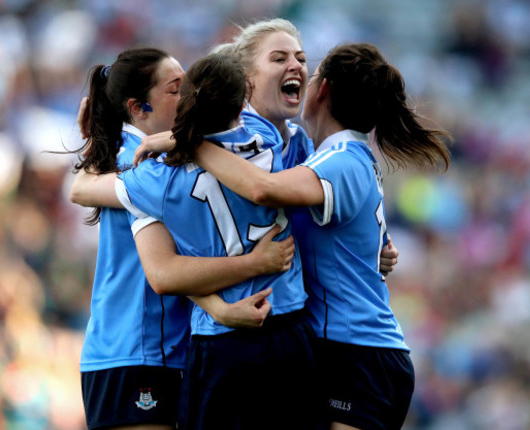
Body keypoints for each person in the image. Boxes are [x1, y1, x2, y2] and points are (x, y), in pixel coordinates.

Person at [193, 42, 452, 429]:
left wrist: (193, 144)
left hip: (358, 352)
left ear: (324, 88)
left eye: (310, 72)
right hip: (351, 351)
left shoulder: (342, 160)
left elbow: (263, 188)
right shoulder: (333, 156)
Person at [70, 47, 296, 430]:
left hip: (157, 352)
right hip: (139, 352)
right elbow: (164, 270)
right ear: (139, 108)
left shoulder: (165, 157)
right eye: (176, 89)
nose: (190, 94)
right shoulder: (140, 165)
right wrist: (249, 270)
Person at [134, 19, 400, 276]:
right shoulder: (196, 147)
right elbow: (166, 265)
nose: (296, 66)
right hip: (222, 318)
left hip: (292, 316)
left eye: (302, 59)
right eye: (279, 59)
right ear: (245, 78)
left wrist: (369, 247)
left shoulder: (310, 153)